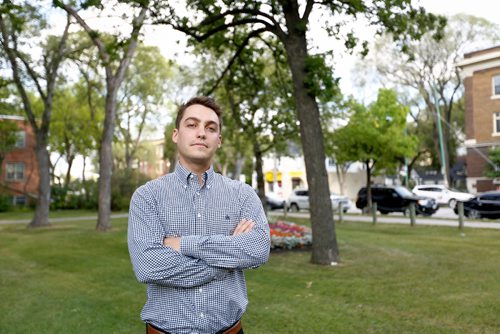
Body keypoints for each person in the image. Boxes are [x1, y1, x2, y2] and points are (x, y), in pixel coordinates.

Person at [128, 96, 271, 334]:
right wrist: (227, 261)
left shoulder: (242, 195)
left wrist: (183, 244)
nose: (201, 133)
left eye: (210, 128)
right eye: (192, 125)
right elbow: (148, 266)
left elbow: (258, 248)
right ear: (176, 134)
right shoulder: (147, 197)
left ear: (219, 140)